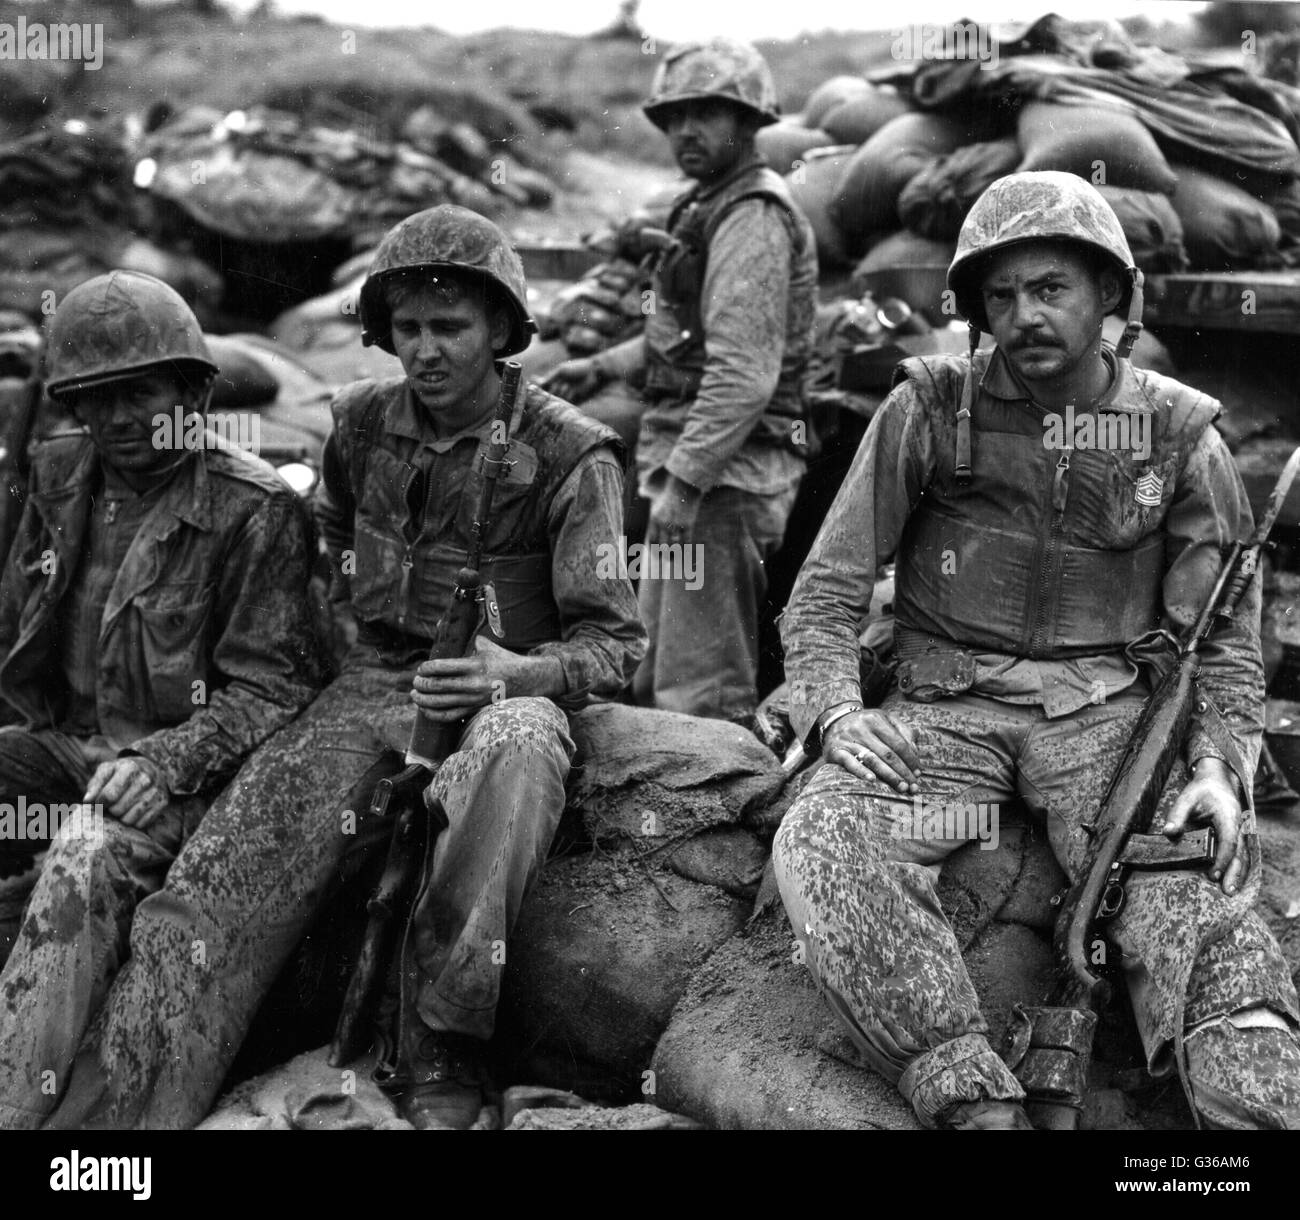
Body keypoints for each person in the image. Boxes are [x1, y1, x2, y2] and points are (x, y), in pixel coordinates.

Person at [31, 206, 646, 1131]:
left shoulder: (570, 453)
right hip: (365, 686)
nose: (427, 352)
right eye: (408, 329)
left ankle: (444, 1036)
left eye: (451, 327)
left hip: (504, 693)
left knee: (515, 754)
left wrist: (510, 677)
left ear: (502, 332)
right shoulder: (357, 422)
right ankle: (117, 1134)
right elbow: (327, 540)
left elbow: (618, 645)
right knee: (207, 900)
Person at [773, 172, 1300, 1130]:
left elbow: (1222, 642)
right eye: (1001, 296)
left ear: (1109, 296)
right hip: (942, 711)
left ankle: (1250, 1116)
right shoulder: (928, 407)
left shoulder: (1181, 433)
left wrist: (1221, 767)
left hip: (1104, 722)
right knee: (827, 839)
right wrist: (834, 711)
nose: (1024, 316)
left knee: (1201, 902)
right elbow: (831, 586)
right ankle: (969, 1094)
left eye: (1050, 288)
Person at [0, 270, 327, 1128]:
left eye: (138, 394)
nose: (115, 421)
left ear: (192, 389)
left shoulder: (253, 507)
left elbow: (276, 686)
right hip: (66, 745)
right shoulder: (59, 474)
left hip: (183, 780)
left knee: (83, 859)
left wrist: (167, 758)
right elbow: (16, 623)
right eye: (92, 400)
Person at [547, 37, 816, 724]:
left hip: (726, 479)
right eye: (674, 116)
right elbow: (683, 338)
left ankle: (717, 818)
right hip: (694, 469)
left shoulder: (751, 215)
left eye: (706, 114)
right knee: (652, 676)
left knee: (699, 695)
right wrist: (606, 365)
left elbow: (744, 373)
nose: (685, 131)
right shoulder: (705, 206)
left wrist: (685, 480)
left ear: (751, 121)